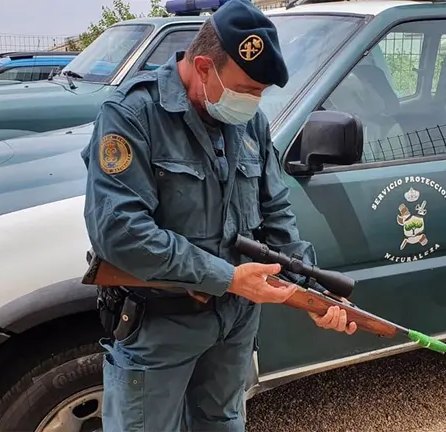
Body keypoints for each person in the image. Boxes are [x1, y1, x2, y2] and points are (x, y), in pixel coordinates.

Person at [80, 1, 357, 430]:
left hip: (235, 323)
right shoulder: (133, 115)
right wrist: (227, 277)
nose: (254, 101)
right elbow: (119, 232)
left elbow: (275, 212)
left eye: (261, 92)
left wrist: (314, 291)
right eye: (246, 89)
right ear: (204, 67)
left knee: (223, 422)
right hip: (162, 322)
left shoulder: (250, 125)